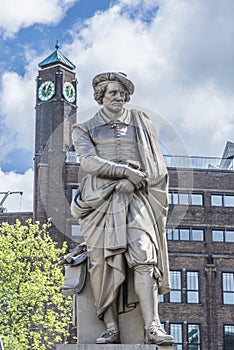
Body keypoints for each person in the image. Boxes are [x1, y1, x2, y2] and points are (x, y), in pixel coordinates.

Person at [71, 72, 174, 345]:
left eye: (121, 93)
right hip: (100, 201)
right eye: (112, 92)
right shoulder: (84, 128)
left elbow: (156, 164)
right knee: (102, 263)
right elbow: (88, 162)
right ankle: (110, 326)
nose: (118, 97)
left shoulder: (141, 122)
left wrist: (136, 181)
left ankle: (153, 325)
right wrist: (124, 173)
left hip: (136, 197)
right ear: (100, 96)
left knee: (144, 255)